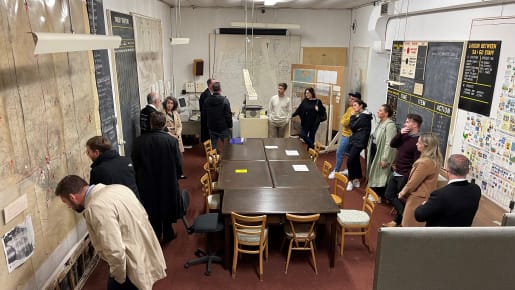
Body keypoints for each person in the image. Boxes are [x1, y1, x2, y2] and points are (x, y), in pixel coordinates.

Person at [55, 175, 166, 290]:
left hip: (130, 264)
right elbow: (144, 214)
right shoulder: (118, 188)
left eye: (66, 202)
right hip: (144, 251)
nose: (68, 207)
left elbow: (115, 250)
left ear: (72, 197)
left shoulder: (96, 207)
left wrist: (118, 277)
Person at [132, 111, 183, 243]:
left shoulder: (138, 142)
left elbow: (135, 164)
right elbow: (178, 162)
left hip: (147, 182)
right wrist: (177, 175)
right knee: (167, 205)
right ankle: (168, 231)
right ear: (164, 124)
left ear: (150, 124)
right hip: (168, 180)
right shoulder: (171, 141)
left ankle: (155, 234)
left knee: (152, 207)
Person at [415, 154, 481, 226]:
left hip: (439, 236)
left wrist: (423, 205)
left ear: (447, 169)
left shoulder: (440, 195)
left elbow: (419, 216)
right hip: (462, 236)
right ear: (467, 171)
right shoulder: (476, 190)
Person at [382, 114, 423, 227]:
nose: (405, 124)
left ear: (414, 124)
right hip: (396, 171)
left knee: (401, 198)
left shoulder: (418, 141)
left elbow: (416, 162)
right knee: (389, 194)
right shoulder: (405, 135)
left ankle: (398, 220)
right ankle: (403, 214)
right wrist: (400, 133)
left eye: (407, 122)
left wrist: (408, 176)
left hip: (404, 175)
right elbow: (392, 144)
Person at [398, 133, 442, 227]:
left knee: (408, 226)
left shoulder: (424, 162)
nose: (416, 144)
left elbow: (413, 183)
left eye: (419, 143)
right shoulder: (435, 160)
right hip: (426, 197)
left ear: (425, 146)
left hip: (417, 199)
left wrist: (402, 193)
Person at [365, 104, 397, 201]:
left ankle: (377, 196)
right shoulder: (380, 123)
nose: (378, 112)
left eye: (380, 110)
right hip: (375, 149)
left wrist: (385, 159)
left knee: (380, 173)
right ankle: (372, 193)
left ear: (386, 113)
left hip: (382, 153)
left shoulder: (390, 125)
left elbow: (389, 143)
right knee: (373, 170)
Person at [329, 92, 360, 179]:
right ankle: (339, 170)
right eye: (350, 98)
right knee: (341, 153)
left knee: (348, 155)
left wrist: (347, 120)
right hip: (345, 134)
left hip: (351, 136)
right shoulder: (350, 109)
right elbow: (343, 121)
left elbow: (347, 123)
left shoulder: (358, 112)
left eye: (352, 99)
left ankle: (342, 171)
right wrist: (346, 120)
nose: (349, 100)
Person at [345, 99, 372, 191]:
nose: (353, 107)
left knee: (350, 160)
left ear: (361, 106)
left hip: (359, 142)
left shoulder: (364, 116)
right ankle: (357, 178)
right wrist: (356, 127)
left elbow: (352, 127)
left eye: (355, 105)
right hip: (355, 140)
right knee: (355, 159)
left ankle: (350, 180)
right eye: (353, 105)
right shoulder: (361, 115)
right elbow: (355, 128)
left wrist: (352, 117)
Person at [203, 81, 233, 150]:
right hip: (223, 127)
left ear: (212, 89)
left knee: (213, 146)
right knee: (227, 146)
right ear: (220, 89)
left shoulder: (207, 100)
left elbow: (204, 114)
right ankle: (228, 159)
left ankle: (214, 159)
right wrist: (230, 126)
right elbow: (228, 115)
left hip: (212, 127)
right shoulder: (225, 100)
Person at [163, 96, 187, 179]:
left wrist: (177, 134)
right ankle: (173, 174)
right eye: (168, 103)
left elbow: (180, 125)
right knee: (172, 158)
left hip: (178, 137)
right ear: (165, 104)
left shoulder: (175, 113)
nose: (170, 105)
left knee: (180, 156)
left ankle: (180, 173)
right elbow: (163, 128)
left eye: (171, 103)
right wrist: (173, 135)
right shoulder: (163, 114)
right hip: (169, 138)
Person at [199, 78, 216, 142]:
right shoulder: (206, 95)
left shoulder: (211, 93)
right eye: (214, 83)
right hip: (207, 122)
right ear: (209, 85)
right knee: (207, 139)